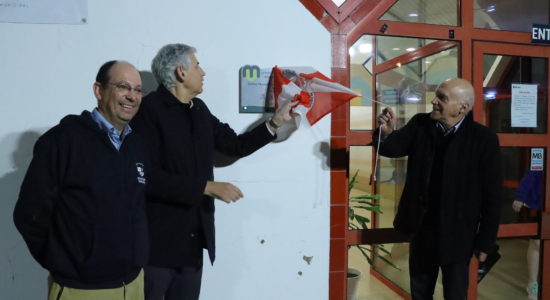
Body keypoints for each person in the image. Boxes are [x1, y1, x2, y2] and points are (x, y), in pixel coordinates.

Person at [130, 43, 296, 300]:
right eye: (197, 65)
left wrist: (275, 122)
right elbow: (147, 178)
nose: (203, 72)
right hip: (157, 248)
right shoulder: (148, 111)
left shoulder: (200, 110)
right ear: (181, 73)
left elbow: (235, 145)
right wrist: (206, 187)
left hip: (193, 244)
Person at [13, 61, 149, 300]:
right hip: (82, 289)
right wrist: (65, 263)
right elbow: (29, 213)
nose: (132, 96)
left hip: (133, 284)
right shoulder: (63, 141)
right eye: (123, 87)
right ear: (99, 91)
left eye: (138, 90)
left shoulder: (136, 145)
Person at [374, 78, 502, 300]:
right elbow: (393, 148)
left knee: (455, 294)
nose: (433, 101)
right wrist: (386, 133)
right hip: (423, 232)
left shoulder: (483, 139)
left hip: (458, 238)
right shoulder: (420, 124)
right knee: (420, 293)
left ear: (462, 107)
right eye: (436, 95)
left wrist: (485, 242)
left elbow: (492, 196)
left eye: (442, 98)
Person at [512, 169, 543, 300]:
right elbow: (533, 171)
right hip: (541, 204)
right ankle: (533, 284)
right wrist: (520, 195)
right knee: (536, 243)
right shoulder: (540, 150)